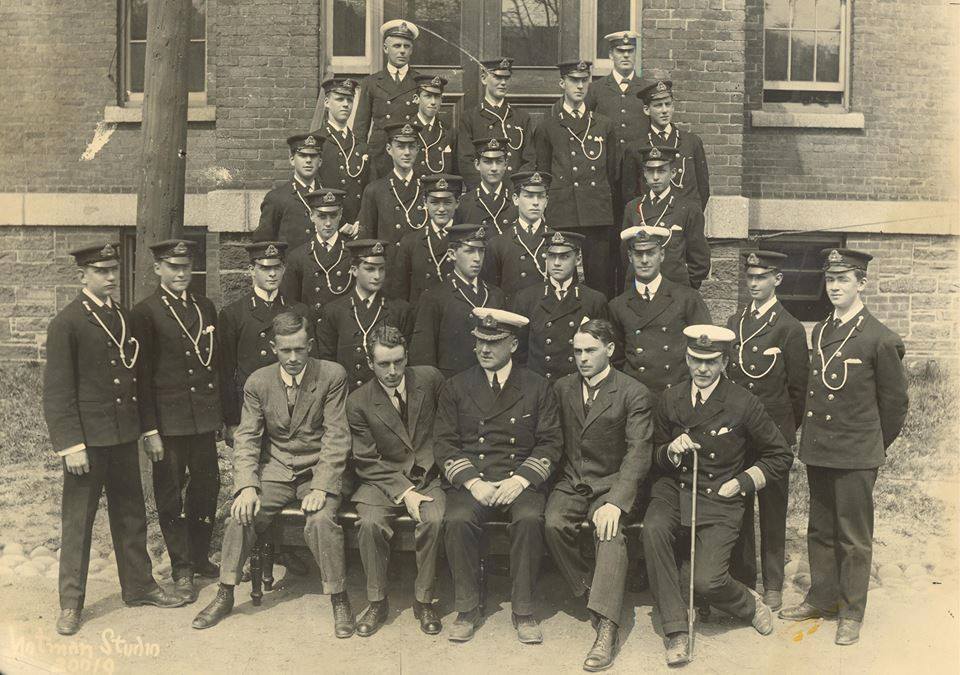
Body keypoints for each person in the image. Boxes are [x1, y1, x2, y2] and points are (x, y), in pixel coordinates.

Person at [43, 243, 185, 635]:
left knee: (130, 515)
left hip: (122, 436)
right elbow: (57, 392)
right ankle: (71, 604)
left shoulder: (122, 317)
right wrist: (71, 445)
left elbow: (135, 380)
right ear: (82, 276)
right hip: (87, 444)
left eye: (113, 270)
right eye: (101, 271)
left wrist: (145, 429)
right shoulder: (67, 323)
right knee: (78, 522)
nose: (109, 278)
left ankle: (138, 586)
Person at [191, 310, 356, 637]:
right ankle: (225, 593)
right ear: (274, 348)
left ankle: (339, 597)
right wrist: (247, 486)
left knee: (322, 520)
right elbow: (248, 438)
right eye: (285, 350)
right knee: (241, 514)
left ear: (309, 345)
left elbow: (337, 436)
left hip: (318, 469)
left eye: (299, 349)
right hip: (277, 469)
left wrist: (322, 487)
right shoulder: (258, 382)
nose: (293, 358)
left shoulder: (332, 375)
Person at [642, 325, 793, 666]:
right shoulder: (671, 397)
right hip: (675, 489)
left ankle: (748, 603)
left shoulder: (743, 402)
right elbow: (653, 453)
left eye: (711, 362)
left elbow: (780, 456)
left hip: (720, 494)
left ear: (724, 363)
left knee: (708, 581)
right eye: (696, 360)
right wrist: (670, 451)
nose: (702, 369)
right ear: (686, 358)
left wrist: (742, 482)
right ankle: (676, 629)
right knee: (652, 530)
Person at [780, 248, 908, 646]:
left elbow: (895, 404)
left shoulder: (879, 338)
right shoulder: (820, 331)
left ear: (862, 284)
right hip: (820, 448)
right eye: (830, 280)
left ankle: (852, 610)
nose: (834, 287)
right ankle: (823, 597)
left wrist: (870, 445)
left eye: (843, 280)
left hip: (856, 451)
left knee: (853, 534)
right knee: (820, 528)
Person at [435, 308, 562, 644]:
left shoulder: (537, 387)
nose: (484, 350)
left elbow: (550, 442)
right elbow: (444, 444)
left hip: (518, 481)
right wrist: (473, 483)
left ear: (514, 345)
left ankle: (523, 610)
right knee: (458, 519)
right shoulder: (456, 386)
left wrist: (519, 480)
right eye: (479, 342)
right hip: (474, 480)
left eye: (494, 342)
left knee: (531, 519)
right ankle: (467, 608)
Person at [544, 319, 653, 671]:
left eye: (590, 350)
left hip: (611, 483)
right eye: (577, 351)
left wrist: (617, 503)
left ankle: (607, 627)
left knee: (609, 534)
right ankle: (592, 593)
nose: (582, 358)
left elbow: (638, 453)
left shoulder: (632, 392)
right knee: (553, 524)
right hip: (572, 481)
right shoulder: (562, 387)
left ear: (610, 350)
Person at [132, 239, 222, 604]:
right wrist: (150, 430)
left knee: (207, 487)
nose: (182, 273)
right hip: (168, 424)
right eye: (173, 267)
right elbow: (141, 376)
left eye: (186, 266)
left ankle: (199, 556)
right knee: (171, 497)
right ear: (158, 269)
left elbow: (213, 363)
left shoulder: (205, 307)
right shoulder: (146, 312)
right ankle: (181, 567)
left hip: (201, 420)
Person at [347, 325, 446, 637]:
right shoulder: (359, 401)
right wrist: (404, 492)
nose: (392, 371)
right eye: (383, 364)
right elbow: (365, 460)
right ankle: (377, 601)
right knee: (370, 523)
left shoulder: (429, 379)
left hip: (428, 476)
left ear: (407, 358)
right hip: (381, 479)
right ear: (369, 363)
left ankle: (424, 599)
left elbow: (448, 427)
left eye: (398, 362)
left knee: (434, 518)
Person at [725, 250, 809, 611]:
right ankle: (744, 577)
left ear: (778, 279)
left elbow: (798, 388)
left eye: (762, 277)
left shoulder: (788, 326)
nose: (754, 284)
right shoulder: (734, 321)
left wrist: (783, 432)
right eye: (751, 278)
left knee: (773, 507)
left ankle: (773, 581)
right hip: (740, 432)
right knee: (740, 505)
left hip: (773, 432)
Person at [534, 60, 619, 298]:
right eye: (574, 80)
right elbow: (543, 173)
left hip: (597, 213)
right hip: (564, 213)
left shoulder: (603, 125)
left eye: (584, 80)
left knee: (599, 281)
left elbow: (612, 172)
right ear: (562, 83)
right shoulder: (548, 126)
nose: (580, 86)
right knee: (562, 279)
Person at [219, 242, 314, 447]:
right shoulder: (234, 313)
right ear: (252, 270)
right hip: (251, 409)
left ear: (283, 269)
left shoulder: (299, 312)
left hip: (291, 409)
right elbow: (225, 372)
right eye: (265, 268)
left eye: (276, 267)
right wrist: (232, 421)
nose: (272, 274)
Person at [608, 226, 711, 397]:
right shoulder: (618, 305)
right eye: (638, 254)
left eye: (651, 253)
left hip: (678, 395)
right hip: (636, 398)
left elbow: (704, 349)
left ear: (662, 255)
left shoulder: (687, 298)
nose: (645, 260)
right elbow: (616, 359)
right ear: (630, 257)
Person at [316, 239, 415, 390]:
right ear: (354, 270)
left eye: (381, 269)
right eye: (370, 269)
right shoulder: (334, 310)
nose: (377, 276)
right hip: (348, 395)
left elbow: (407, 361)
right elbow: (327, 362)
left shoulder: (400, 309)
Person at [509, 231, 609, 381]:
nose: (556, 263)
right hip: (539, 387)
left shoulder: (594, 300)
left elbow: (601, 353)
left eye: (564, 257)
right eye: (551, 256)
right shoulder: (526, 298)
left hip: (577, 387)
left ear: (578, 259)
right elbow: (518, 353)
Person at [409, 223, 506, 377]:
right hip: (450, 387)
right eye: (469, 251)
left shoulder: (495, 294)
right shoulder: (434, 297)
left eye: (481, 251)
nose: (477, 259)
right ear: (452, 254)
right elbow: (423, 357)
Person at [621, 145, 710, 289]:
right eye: (650, 171)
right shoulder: (632, 207)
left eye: (661, 171)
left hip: (674, 290)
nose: (655, 177)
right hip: (639, 287)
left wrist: (685, 289)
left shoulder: (688, 208)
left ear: (673, 173)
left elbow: (700, 259)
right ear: (644, 173)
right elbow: (625, 255)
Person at [584, 30, 648, 226]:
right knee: (608, 225)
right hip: (606, 170)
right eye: (621, 51)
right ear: (611, 55)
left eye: (630, 51)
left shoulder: (646, 89)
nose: (626, 55)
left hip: (638, 171)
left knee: (637, 222)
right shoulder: (596, 89)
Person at [622, 80, 710, 212]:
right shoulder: (636, 148)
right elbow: (630, 194)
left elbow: (703, 188)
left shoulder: (692, 142)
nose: (664, 110)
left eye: (668, 104)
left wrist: (692, 216)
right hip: (651, 220)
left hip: (685, 218)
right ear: (647, 110)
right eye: (658, 106)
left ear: (673, 107)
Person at [354, 20, 422, 179]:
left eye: (407, 46)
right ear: (385, 48)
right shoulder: (371, 82)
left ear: (411, 50)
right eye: (397, 46)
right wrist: (363, 154)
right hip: (379, 154)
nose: (402, 51)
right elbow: (360, 126)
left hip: (408, 152)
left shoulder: (419, 82)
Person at [456, 57, 535, 189]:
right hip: (482, 195)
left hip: (514, 193)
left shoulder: (521, 118)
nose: (503, 82)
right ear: (483, 78)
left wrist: (516, 190)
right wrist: (485, 192)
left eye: (506, 78)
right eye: (497, 77)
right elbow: (466, 162)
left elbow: (529, 160)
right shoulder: (470, 117)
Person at [280, 188, 355, 321]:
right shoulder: (298, 256)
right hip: (312, 327)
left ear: (340, 215)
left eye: (333, 216)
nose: (328, 223)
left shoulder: (352, 252)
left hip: (343, 326)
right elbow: (290, 301)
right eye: (322, 216)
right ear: (311, 215)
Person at [482, 170, 552, 303]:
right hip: (513, 316)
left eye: (540, 196)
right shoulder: (498, 244)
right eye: (529, 196)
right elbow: (491, 293)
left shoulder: (558, 242)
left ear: (547, 201)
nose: (536, 202)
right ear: (515, 199)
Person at [391, 173, 461, 306]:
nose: (441, 209)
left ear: (457, 203)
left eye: (447, 202)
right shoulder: (410, 242)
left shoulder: (465, 241)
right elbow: (399, 292)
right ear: (425, 203)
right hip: (420, 317)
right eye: (434, 202)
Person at [356, 122, 428, 249]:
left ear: (417, 150)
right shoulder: (374, 190)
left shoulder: (426, 188)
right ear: (389, 149)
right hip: (388, 265)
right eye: (400, 146)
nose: (407, 153)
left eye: (411, 147)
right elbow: (366, 240)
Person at [252, 133, 323, 250]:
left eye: (313, 156)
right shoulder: (276, 198)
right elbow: (263, 242)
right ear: (292, 160)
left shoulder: (327, 195)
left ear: (320, 161)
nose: (309, 160)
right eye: (302, 155)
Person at [313, 77, 369, 226]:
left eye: (350, 100)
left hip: (357, 226)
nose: (346, 104)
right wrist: (341, 223)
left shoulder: (361, 145)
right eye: (340, 99)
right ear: (326, 103)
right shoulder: (317, 141)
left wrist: (361, 222)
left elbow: (370, 191)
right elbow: (313, 187)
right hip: (328, 223)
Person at [454, 137, 518, 234]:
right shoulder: (464, 203)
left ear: (506, 164)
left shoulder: (516, 201)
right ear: (477, 164)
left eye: (499, 161)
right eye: (488, 162)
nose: (494, 168)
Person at [412, 74, 456, 179]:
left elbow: (455, 176)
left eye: (437, 97)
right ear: (416, 99)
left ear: (441, 100)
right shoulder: (404, 131)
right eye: (427, 96)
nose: (433, 102)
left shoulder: (448, 132)